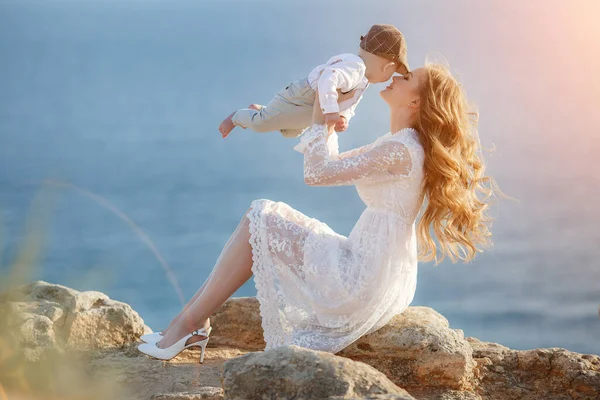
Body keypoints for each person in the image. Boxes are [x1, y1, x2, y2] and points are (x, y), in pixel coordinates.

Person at [138, 62, 497, 362]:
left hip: (364, 277)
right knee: (256, 219)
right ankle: (189, 322)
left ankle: (189, 325)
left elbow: (317, 173)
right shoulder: (405, 145)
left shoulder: (402, 150)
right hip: (378, 267)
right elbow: (334, 164)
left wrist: (319, 115)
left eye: (405, 78)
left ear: (416, 100)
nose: (395, 77)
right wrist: (328, 117)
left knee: (258, 218)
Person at [218, 24, 409, 139]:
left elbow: (350, 103)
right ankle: (237, 117)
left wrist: (344, 117)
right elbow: (328, 78)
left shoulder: (363, 79)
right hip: (301, 97)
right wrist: (332, 111)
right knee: (261, 125)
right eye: (392, 73)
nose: (389, 78)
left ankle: (261, 110)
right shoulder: (356, 67)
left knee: (291, 132)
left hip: (312, 108)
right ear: (387, 66)